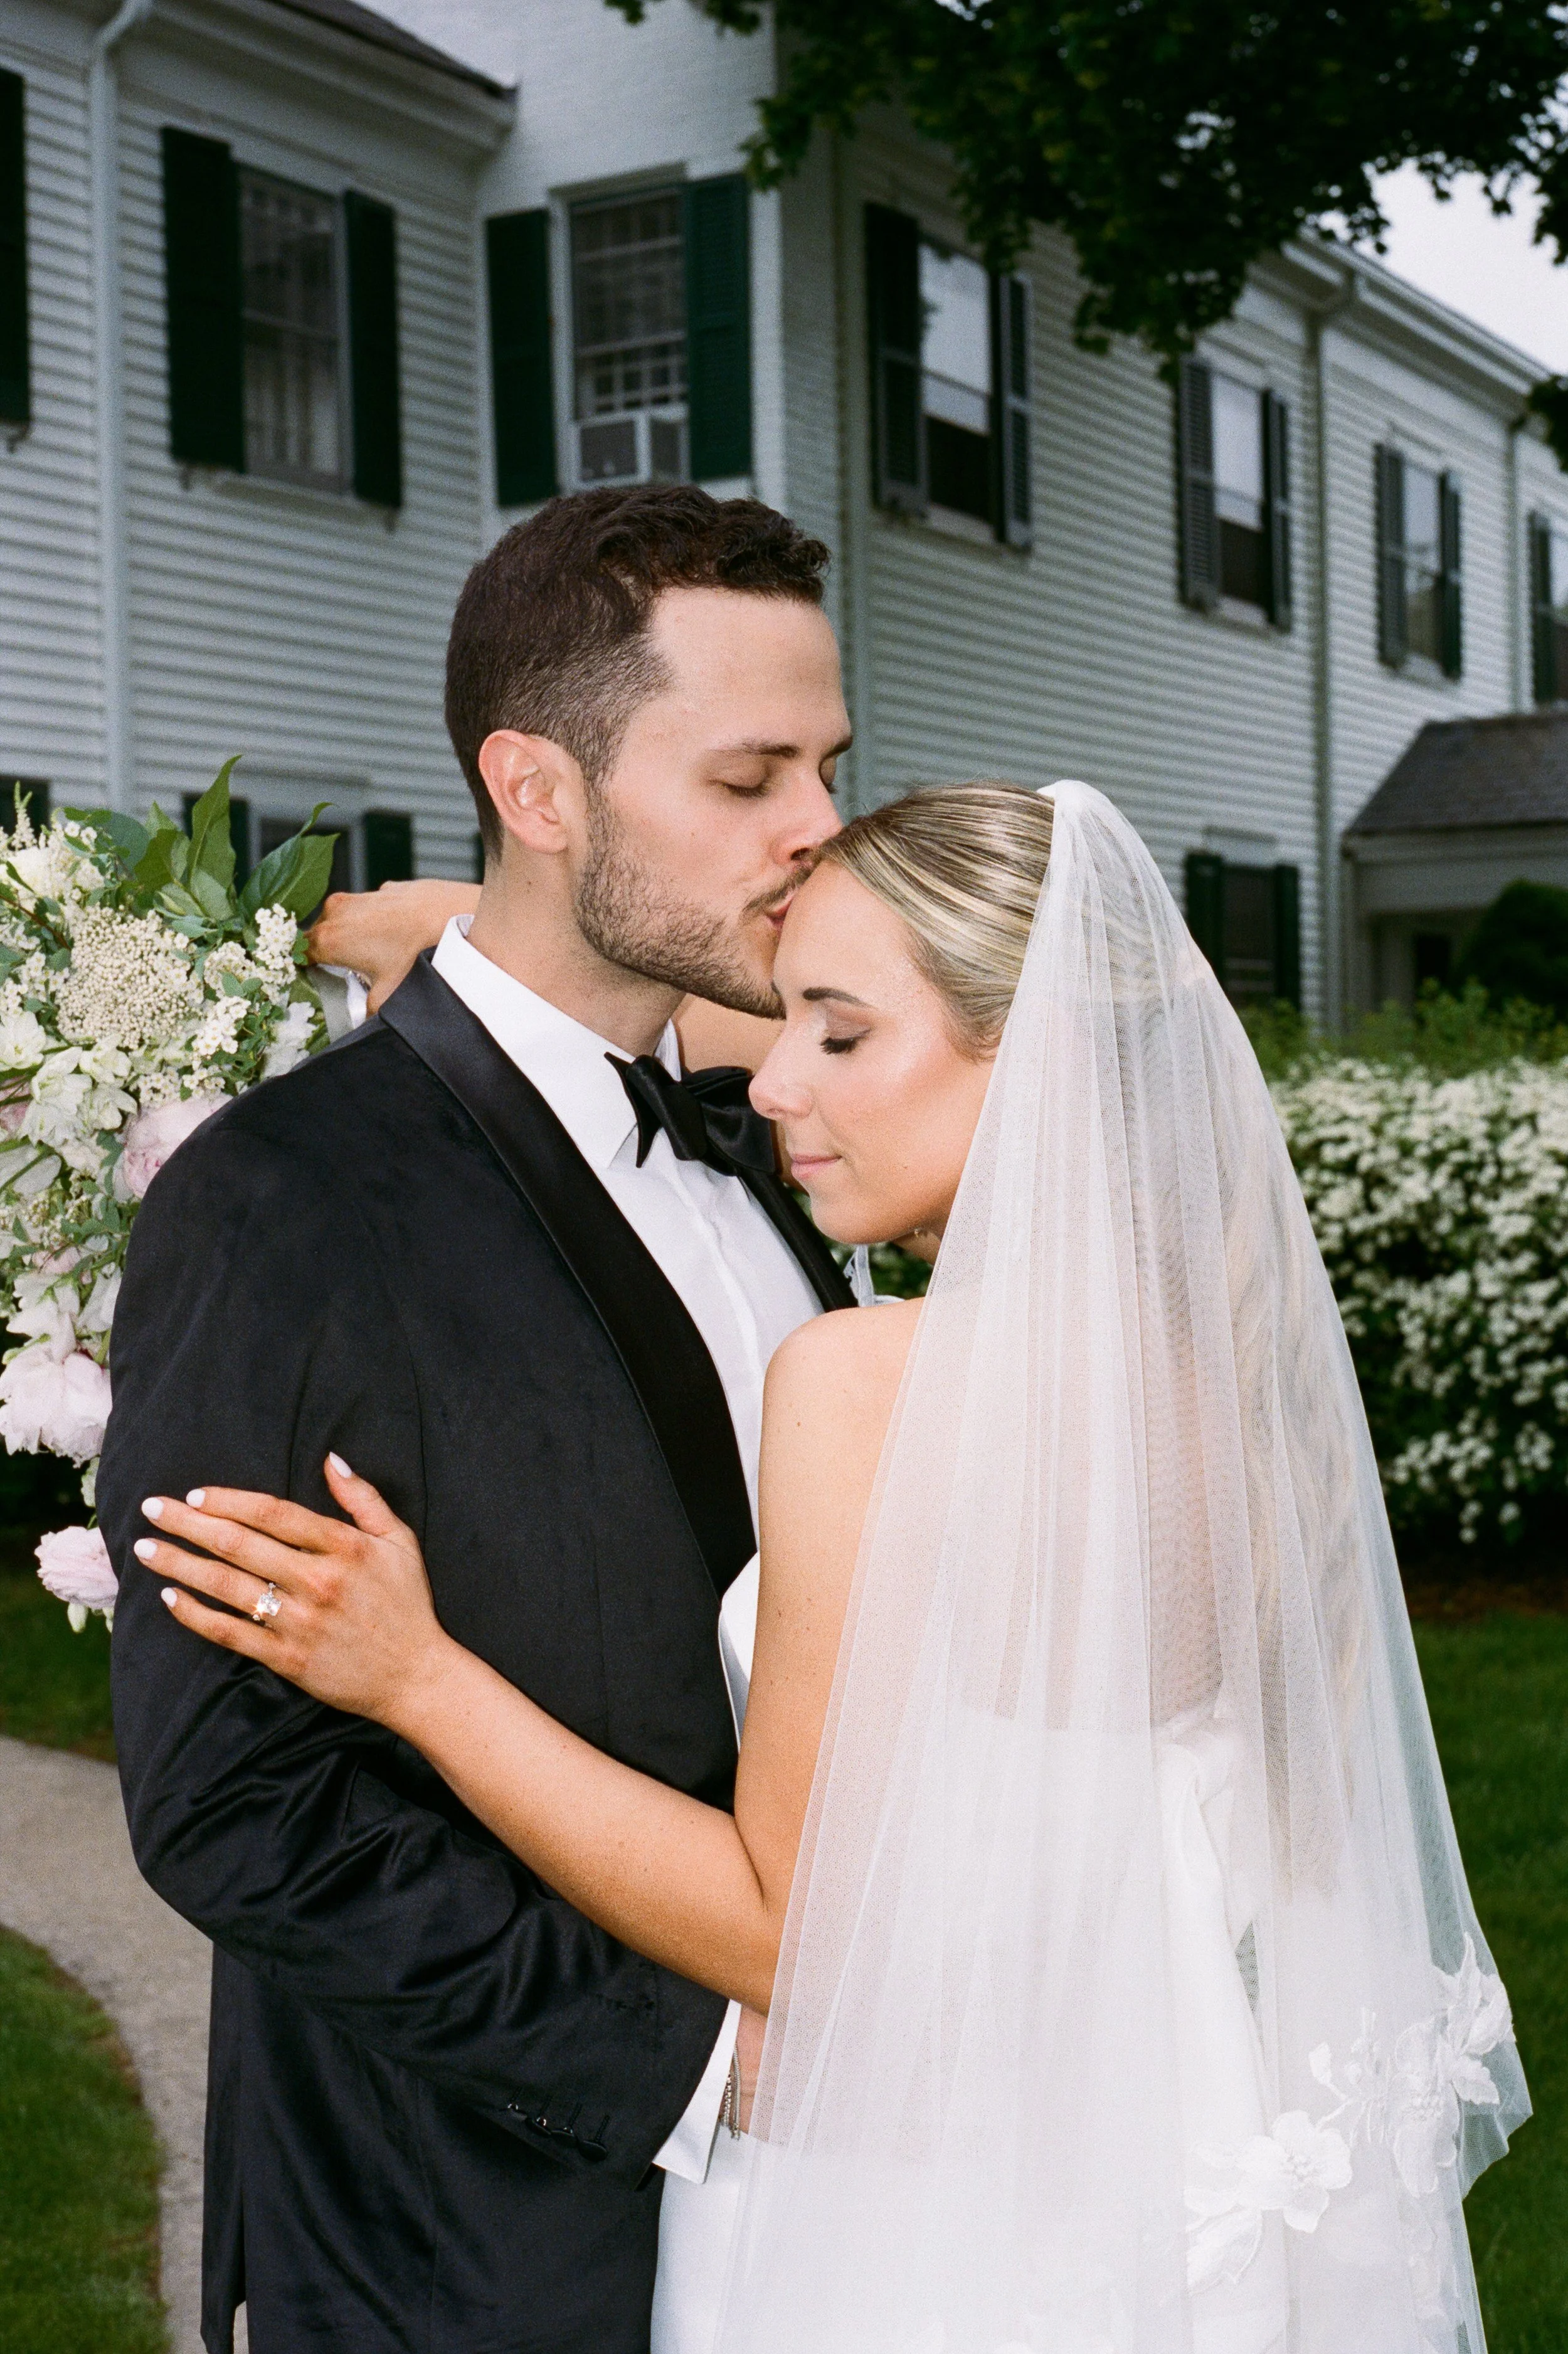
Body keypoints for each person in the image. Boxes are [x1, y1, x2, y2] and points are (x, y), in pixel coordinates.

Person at [136, 781, 1527, 2354]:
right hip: (1160, 2163)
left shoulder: (867, 1386)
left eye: (838, 1034)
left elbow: (785, 1930)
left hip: (902, 2224)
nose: (777, 1078)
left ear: (1044, 1051)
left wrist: (419, 1678)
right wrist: (443, 927)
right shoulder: (1238, 1372)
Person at [98, 482, 859, 2354]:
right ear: (539, 791)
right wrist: (687, 2059)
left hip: (830, 2223)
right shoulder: (282, 1196)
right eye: (751, 776)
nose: (821, 831)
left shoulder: (786, 1150)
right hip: (469, 2249)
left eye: (830, 766)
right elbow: (234, 1802)